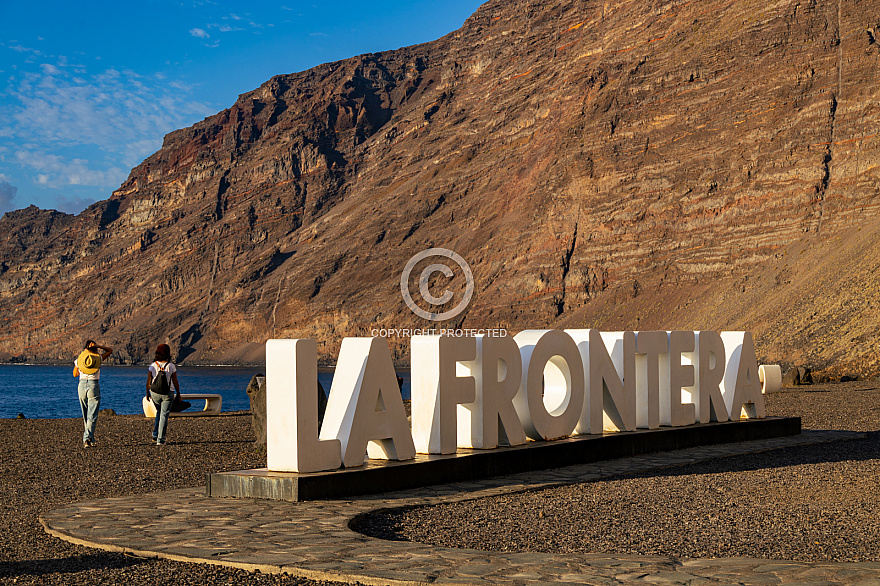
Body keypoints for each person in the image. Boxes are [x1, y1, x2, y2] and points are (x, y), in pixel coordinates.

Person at [73, 340, 113, 448]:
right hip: (93, 385)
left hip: (81, 385)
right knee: (92, 414)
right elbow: (110, 350)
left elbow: (74, 374)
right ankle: (87, 438)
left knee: (86, 413)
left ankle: (90, 438)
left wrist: (82, 364)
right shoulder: (98, 358)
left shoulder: (80, 360)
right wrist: (99, 346)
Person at [146, 343, 181, 446]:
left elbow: (148, 381)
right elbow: (175, 382)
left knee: (159, 412)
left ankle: (155, 435)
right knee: (164, 415)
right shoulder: (171, 366)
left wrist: (147, 392)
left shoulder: (152, 365)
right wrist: (178, 393)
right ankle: (160, 440)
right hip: (167, 394)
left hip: (154, 393)